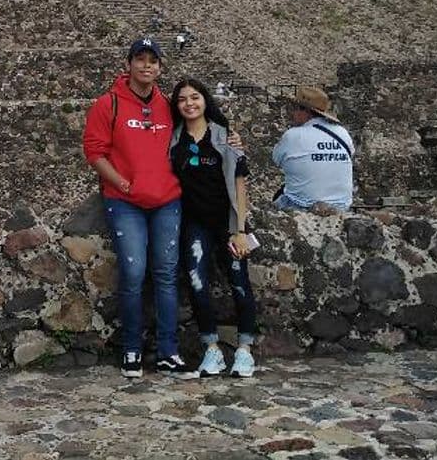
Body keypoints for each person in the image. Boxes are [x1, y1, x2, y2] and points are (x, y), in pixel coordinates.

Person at [83, 38, 197, 379]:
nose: (147, 66)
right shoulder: (109, 104)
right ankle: (131, 348)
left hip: (166, 200)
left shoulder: (168, 106)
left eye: (153, 61)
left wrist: (231, 140)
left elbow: (199, 125)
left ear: (160, 67)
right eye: (140, 59)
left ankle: (168, 350)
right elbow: (94, 151)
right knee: (133, 273)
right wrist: (119, 182)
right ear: (129, 64)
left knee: (165, 274)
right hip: (125, 202)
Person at [169, 78, 258, 378]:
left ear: (205, 100)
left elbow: (239, 183)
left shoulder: (224, 137)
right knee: (196, 282)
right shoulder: (174, 140)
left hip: (227, 222)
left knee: (239, 282)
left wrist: (241, 229)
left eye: (195, 97)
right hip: (194, 224)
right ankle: (212, 349)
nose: (189, 104)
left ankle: (245, 350)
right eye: (182, 99)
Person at [271, 86, 354, 211]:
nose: (292, 113)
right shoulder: (342, 132)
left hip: (302, 205)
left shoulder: (293, 135)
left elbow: (276, 160)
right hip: (341, 206)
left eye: (295, 108)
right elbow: (350, 154)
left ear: (305, 112)